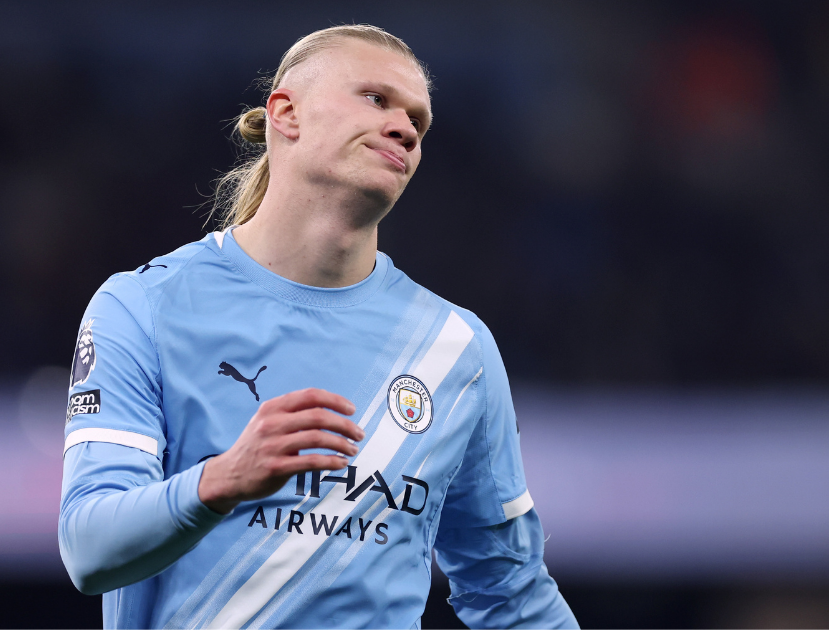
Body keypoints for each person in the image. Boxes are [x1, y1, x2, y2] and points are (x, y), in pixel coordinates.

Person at [59, 24, 578, 629]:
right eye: (376, 99)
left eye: (419, 121)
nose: (406, 128)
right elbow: (88, 550)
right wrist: (225, 478)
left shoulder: (456, 350)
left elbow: (511, 591)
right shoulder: (143, 306)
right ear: (286, 113)